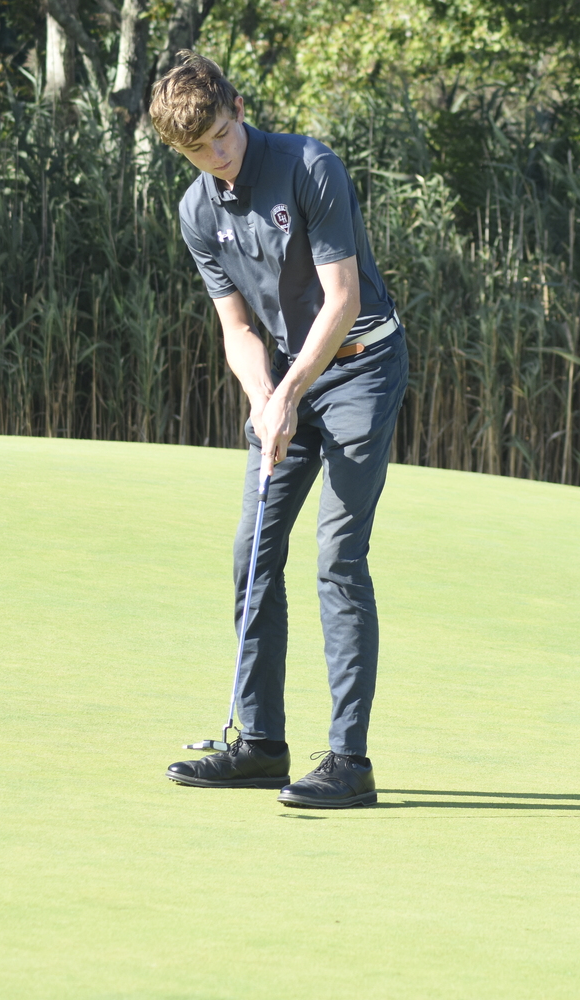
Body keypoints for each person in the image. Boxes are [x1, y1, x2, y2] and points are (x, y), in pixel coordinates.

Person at [151, 52, 407, 808]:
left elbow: (340, 298)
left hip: (361, 367)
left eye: (223, 136)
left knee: (338, 556)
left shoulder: (309, 166)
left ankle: (349, 764)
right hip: (290, 381)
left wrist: (291, 391)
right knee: (252, 551)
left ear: (237, 105)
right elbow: (236, 327)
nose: (217, 157)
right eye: (199, 151)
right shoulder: (199, 210)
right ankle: (262, 744)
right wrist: (265, 395)